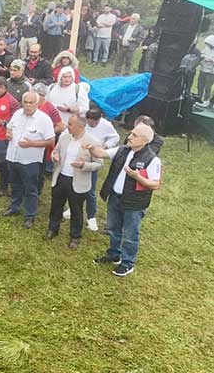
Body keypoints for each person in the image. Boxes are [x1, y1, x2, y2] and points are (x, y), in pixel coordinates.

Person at [88, 123, 162, 277]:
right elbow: (101, 153)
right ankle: (114, 254)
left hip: (134, 203)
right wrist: (90, 147)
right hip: (115, 197)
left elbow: (155, 184)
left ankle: (128, 263)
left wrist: (137, 177)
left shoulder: (152, 160)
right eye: (131, 133)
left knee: (130, 234)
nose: (129, 137)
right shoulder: (123, 150)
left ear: (144, 140)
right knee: (113, 228)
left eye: (134, 135)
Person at [47, 115, 103, 249]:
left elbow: (99, 164)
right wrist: (54, 156)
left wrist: (84, 165)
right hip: (61, 178)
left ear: (80, 127)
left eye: (70, 124)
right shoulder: (64, 137)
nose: (67, 126)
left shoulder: (93, 142)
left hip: (78, 182)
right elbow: (55, 151)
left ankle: (75, 236)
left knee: (76, 210)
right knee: (56, 206)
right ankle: (53, 229)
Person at [4, 90, 55, 229]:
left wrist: (31, 144)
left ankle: (29, 216)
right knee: (15, 184)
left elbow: (50, 141)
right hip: (13, 157)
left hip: (30, 161)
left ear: (37, 103)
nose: (27, 105)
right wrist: (8, 134)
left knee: (31, 188)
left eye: (31, 103)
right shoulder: (17, 114)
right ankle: (14, 207)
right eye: (25, 102)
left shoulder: (44, 119)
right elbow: (9, 129)